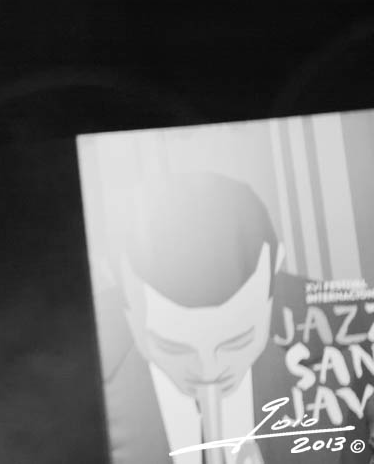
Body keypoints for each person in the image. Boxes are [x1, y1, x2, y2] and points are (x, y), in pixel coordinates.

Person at [100, 172, 367, 464]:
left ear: (274, 271)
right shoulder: (79, 372)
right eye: (173, 347)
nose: (209, 372)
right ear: (123, 296)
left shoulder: (355, 335)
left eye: (237, 341)